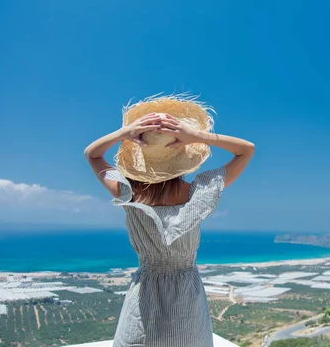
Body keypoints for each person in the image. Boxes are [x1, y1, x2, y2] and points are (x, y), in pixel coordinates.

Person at [84, 95, 254, 347]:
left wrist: (125, 133)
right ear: (182, 158)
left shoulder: (129, 192)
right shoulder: (197, 194)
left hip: (144, 291)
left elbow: (92, 155)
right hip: (186, 294)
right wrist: (197, 136)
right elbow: (246, 150)